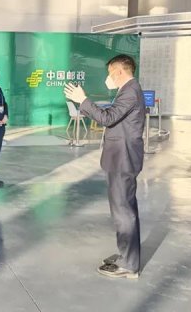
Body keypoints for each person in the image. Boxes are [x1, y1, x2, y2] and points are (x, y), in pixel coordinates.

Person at [64, 54, 145, 279]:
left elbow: (108, 118)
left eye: (110, 73)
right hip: (121, 158)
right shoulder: (129, 90)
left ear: (119, 71)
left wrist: (83, 100)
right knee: (125, 209)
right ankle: (127, 255)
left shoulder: (130, 91)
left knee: (123, 211)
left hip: (122, 159)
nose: (108, 78)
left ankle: (129, 265)